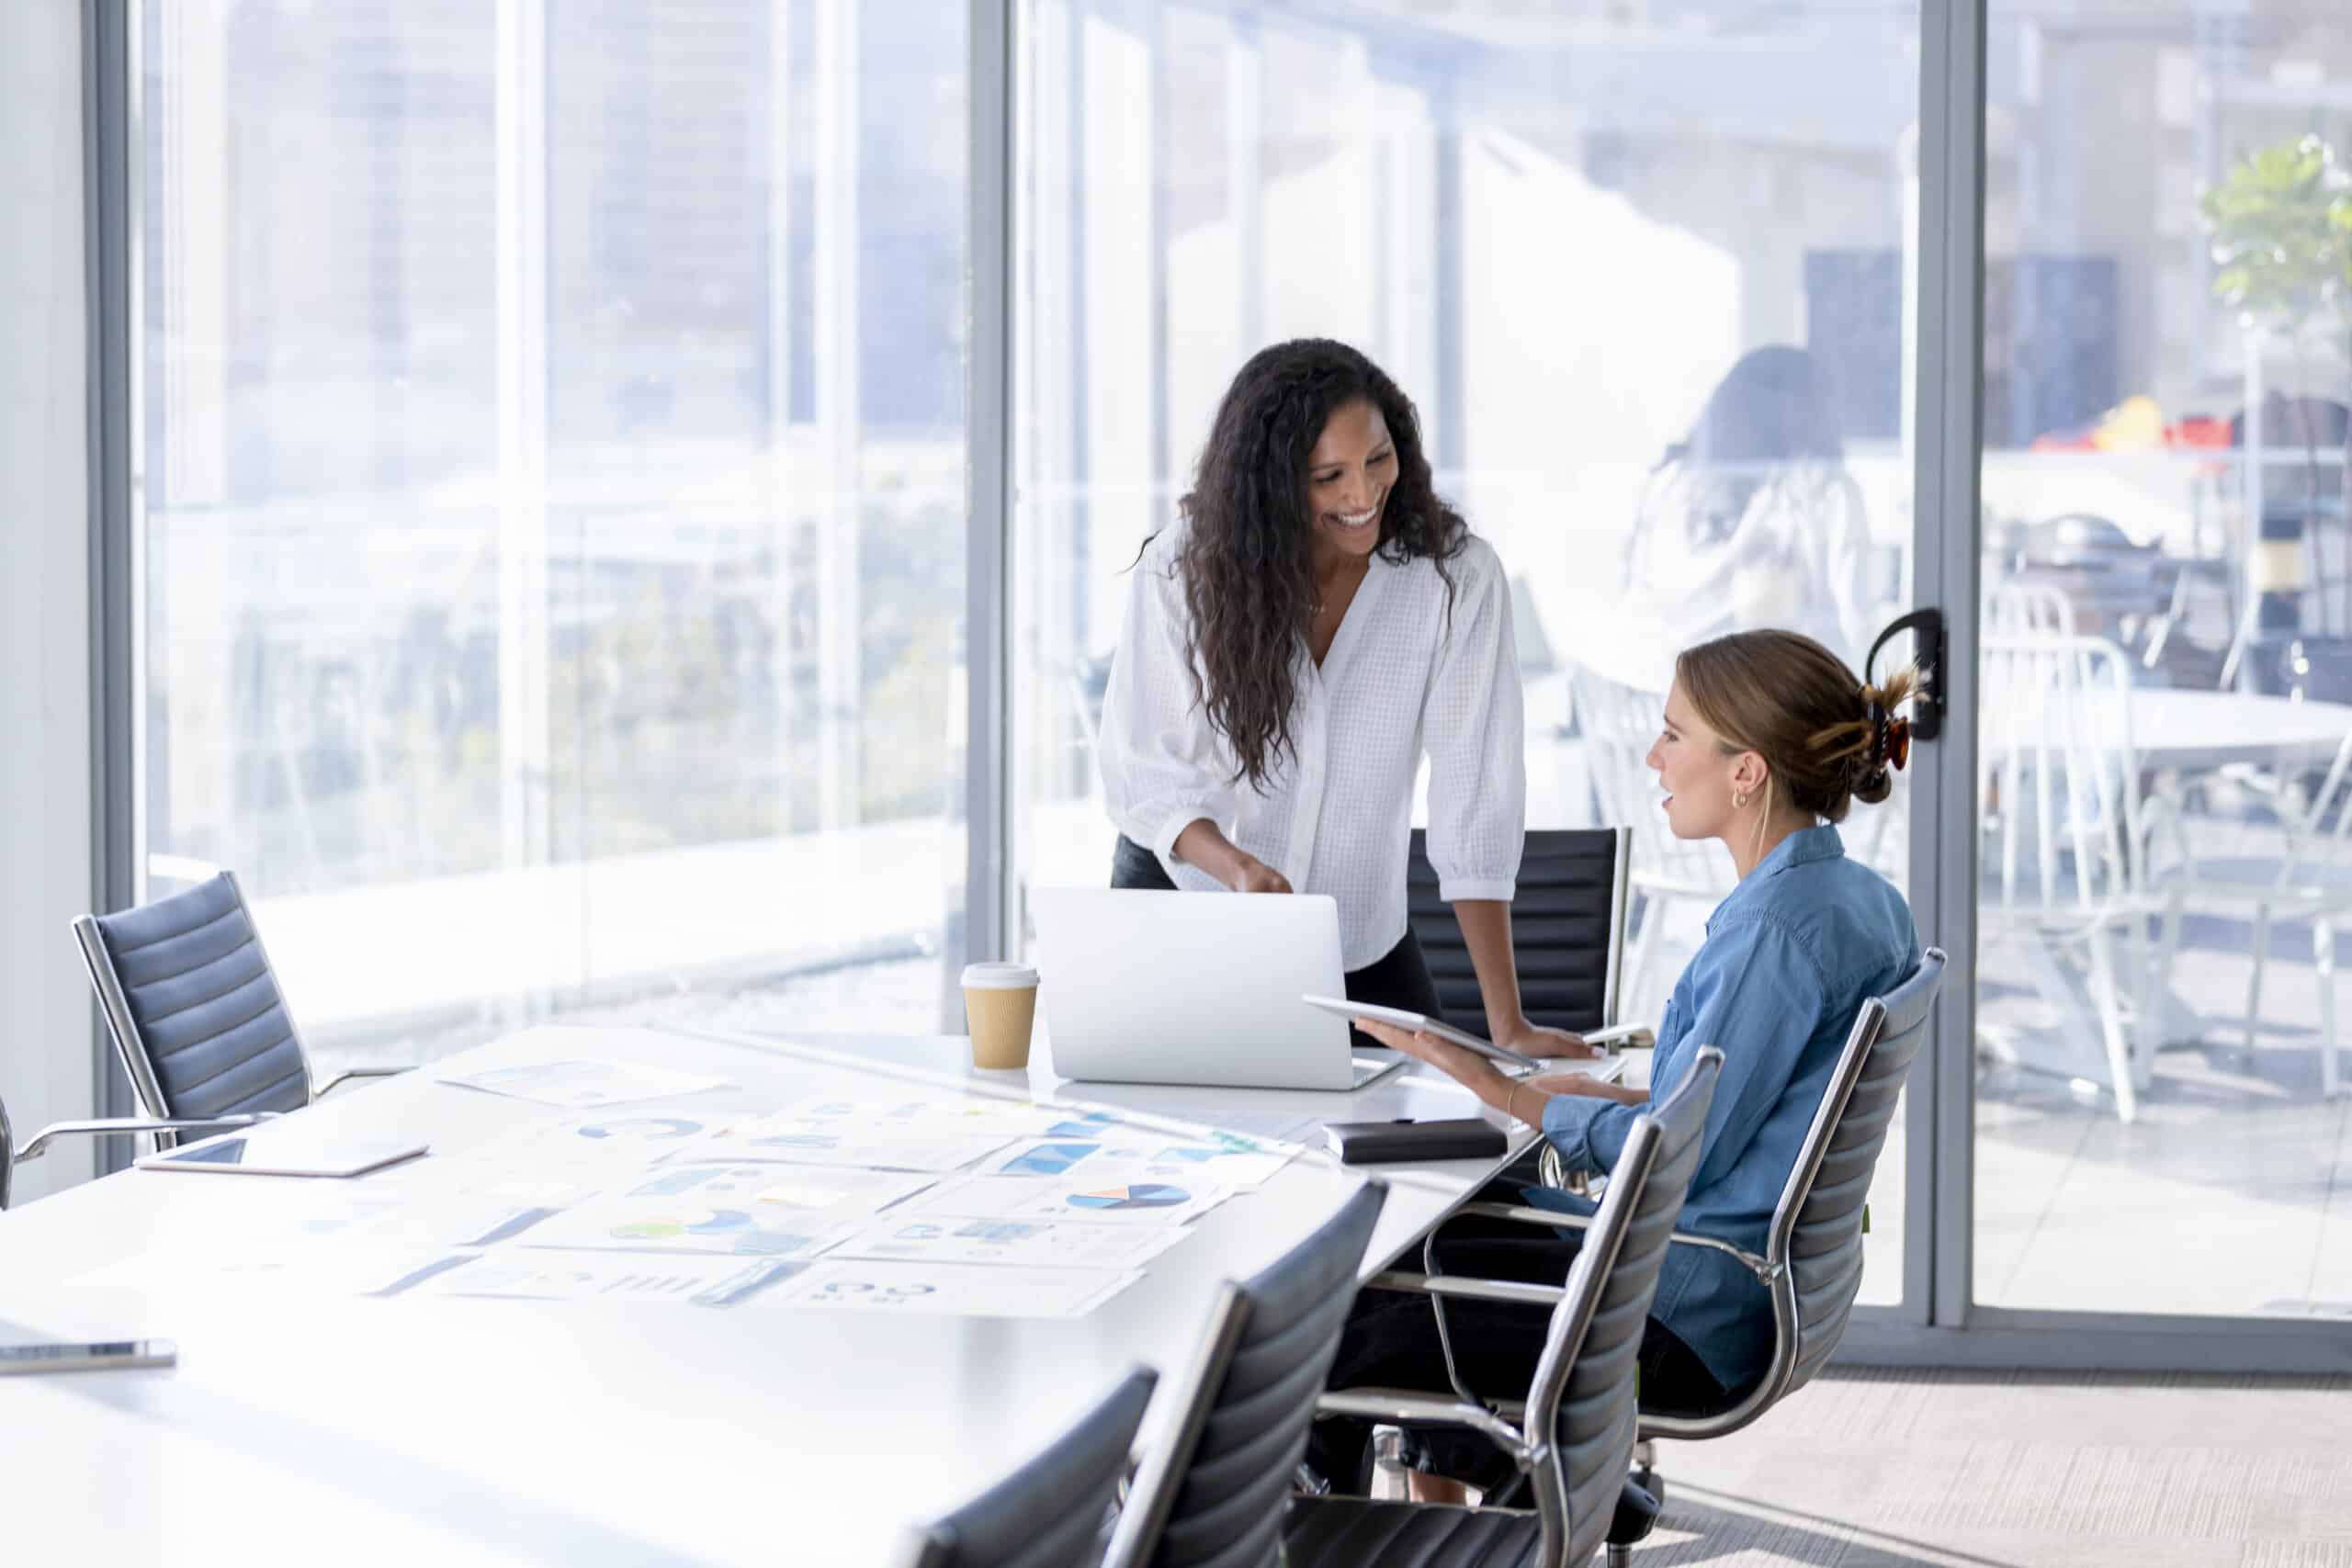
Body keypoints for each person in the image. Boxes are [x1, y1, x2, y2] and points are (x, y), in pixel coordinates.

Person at [1323, 628, 1921, 1495]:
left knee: (1338, 1312)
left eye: (1675, 735)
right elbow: (1750, 1104)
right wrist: (1592, 1093)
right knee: (1447, 1231)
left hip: (1671, 1312)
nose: (1653, 754)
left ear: (1746, 771)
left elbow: (1682, 1148)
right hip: (1729, 1283)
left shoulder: (1771, 934)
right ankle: (1552, 1483)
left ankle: (1483, 1506)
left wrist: (1512, 1097)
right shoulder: (1862, 902)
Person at [1096, 337, 1585, 1058]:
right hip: (1184, 913)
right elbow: (1146, 770)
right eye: (1328, 476)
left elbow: (1473, 800)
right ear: (1270, 483)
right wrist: (1236, 868)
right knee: (1177, 1160)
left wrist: (1506, 1021)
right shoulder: (1184, 569)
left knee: (1437, 1146)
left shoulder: (1454, 582)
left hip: (1358, 940)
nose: (1363, 495)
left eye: (1378, 459)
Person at [1621, 346, 1875, 670]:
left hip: (1697, 689)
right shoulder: (1677, 486)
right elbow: (1855, 620)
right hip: (1686, 686)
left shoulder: (1820, 493)